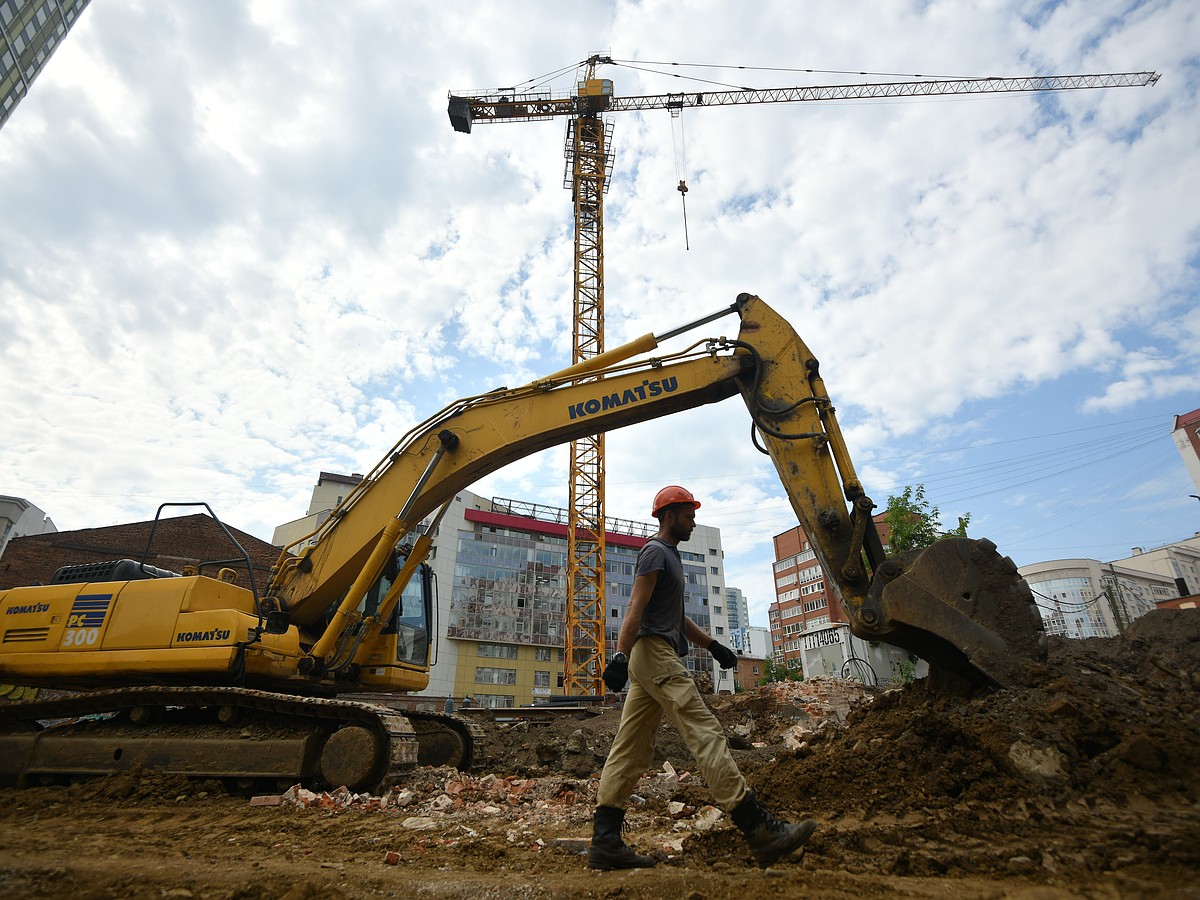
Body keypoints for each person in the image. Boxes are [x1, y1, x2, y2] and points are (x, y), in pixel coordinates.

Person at [587, 485, 816, 871]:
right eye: (688, 514)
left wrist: (712, 645)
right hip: (654, 655)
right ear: (669, 515)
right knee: (704, 729)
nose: (693, 520)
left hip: (653, 657)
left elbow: (675, 617)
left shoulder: (671, 557)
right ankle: (758, 828)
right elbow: (636, 607)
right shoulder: (655, 552)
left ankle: (605, 841)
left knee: (632, 748)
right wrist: (621, 656)